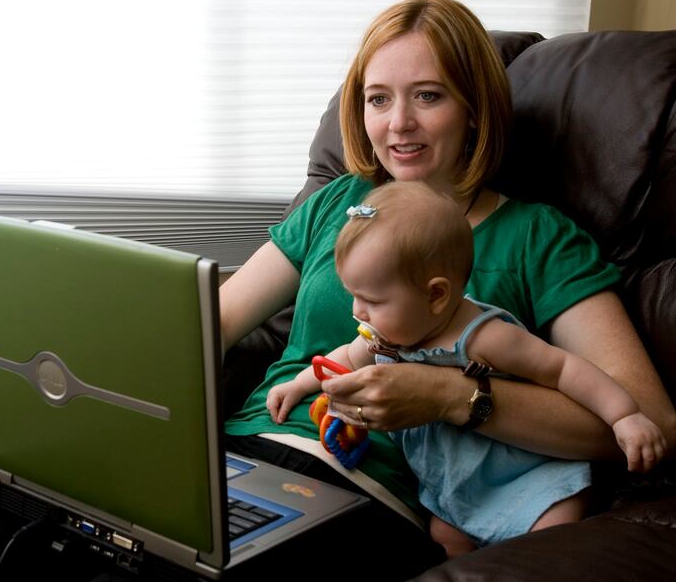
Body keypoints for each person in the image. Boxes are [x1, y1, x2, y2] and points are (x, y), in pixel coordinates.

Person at [0, 0, 674, 582]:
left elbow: (643, 419)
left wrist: (448, 396)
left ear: (476, 109)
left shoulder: (538, 237)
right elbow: (209, 324)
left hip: (369, 496)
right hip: (232, 462)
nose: (397, 124)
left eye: (428, 96)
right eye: (377, 98)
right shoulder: (339, 204)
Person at [265, 181, 668, 555]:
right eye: (353, 295)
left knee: (547, 540)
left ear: (436, 295)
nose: (358, 311)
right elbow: (345, 358)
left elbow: (562, 369)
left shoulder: (484, 338)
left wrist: (624, 415)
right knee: (446, 540)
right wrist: (298, 384)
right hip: (452, 485)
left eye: (372, 300)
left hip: (526, 477)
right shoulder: (385, 335)